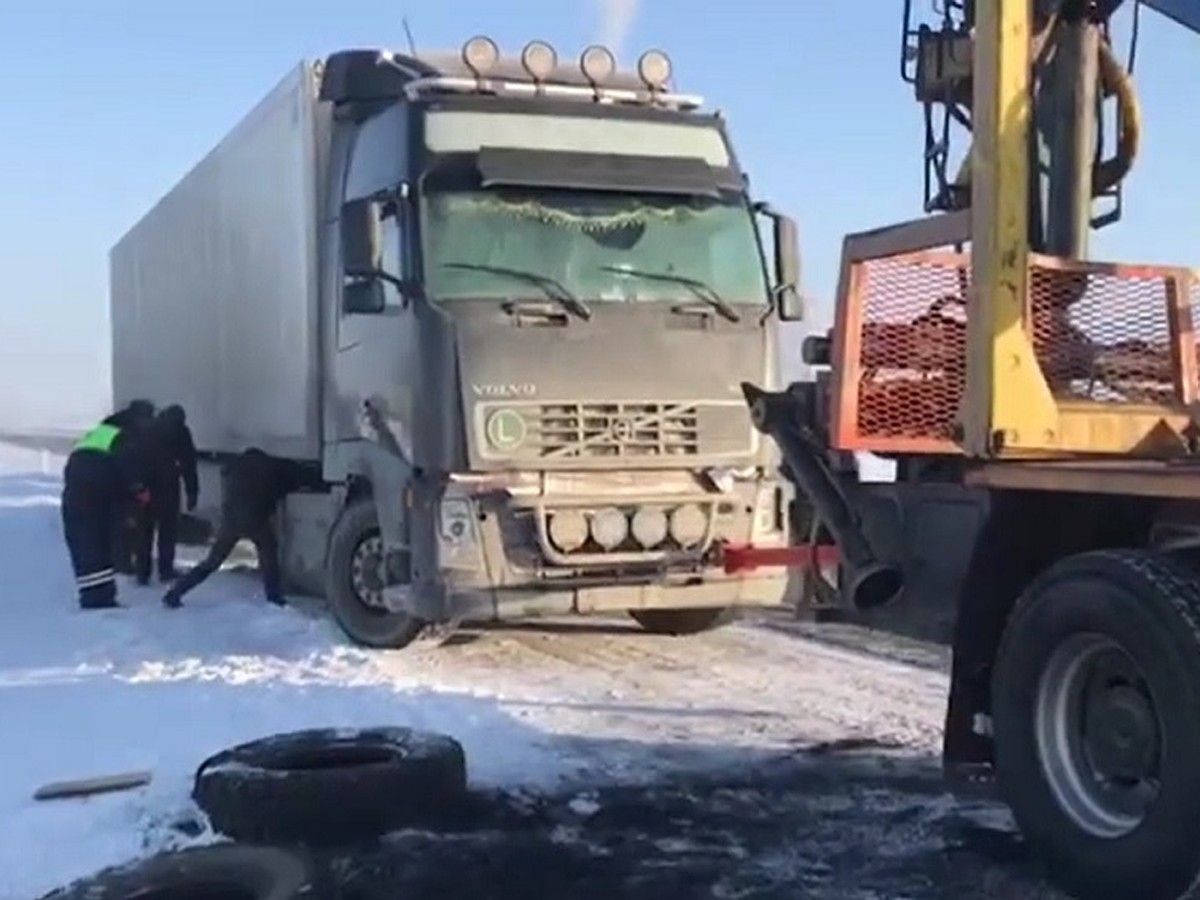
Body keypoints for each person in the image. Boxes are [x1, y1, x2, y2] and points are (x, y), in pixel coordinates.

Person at [162, 448, 308, 609]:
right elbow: (281, 489)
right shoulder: (271, 469)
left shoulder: (235, 468)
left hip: (231, 521)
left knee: (212, 562)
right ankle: (274, 597)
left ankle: (176, 593)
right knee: (269, 554)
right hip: (255, 520)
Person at [61, 406, 152, 609]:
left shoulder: (95, 435)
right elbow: (127, 466)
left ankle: (92, 596)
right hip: (97, 497)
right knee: (99, 546)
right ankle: (100, 600)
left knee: (86, 548)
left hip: (75, 497)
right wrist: (139, 489)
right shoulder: (121, 437)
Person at [133, 404, 199, 585]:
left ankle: (142, 572)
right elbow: (188, 463)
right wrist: (192, 491)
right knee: (167, 531)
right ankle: (165, 570)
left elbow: (135, 459)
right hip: (168, 486)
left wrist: (137, 486)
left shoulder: (148, 429)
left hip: (147, 488)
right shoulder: (181, 432)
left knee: (144, 532)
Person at [108, 399, 157, 575]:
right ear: (139, 417)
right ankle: (122, 564)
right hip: (113, 483)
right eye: (148, 419)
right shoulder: (124, 432)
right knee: (124, 523)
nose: (150, 423)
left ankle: (123, 562)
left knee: (127, 523)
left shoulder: (112, 425)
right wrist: (137, 486)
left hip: (108, 480)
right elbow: (125, 461)